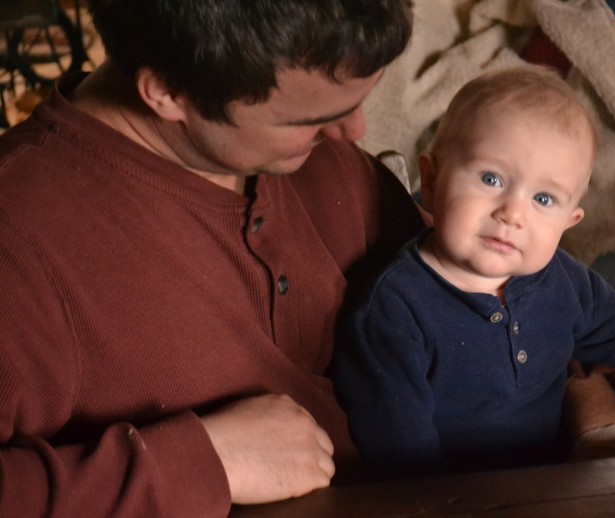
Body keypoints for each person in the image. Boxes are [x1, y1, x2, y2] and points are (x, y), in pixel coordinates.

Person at [0, 1, 427, 516]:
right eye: (309, 119)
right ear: (168, 93)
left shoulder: (316, 162)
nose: (354, 131)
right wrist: (204, 463)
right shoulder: (18, 243)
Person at [331, 66, 615, 477]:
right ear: (431, 180)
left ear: (570, 222)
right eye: (491, 179)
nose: (512, 214)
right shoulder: (394, 311)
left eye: (544, 199)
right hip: (458, 493)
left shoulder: (566, 280)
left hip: (556, 484)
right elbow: (402, 454)